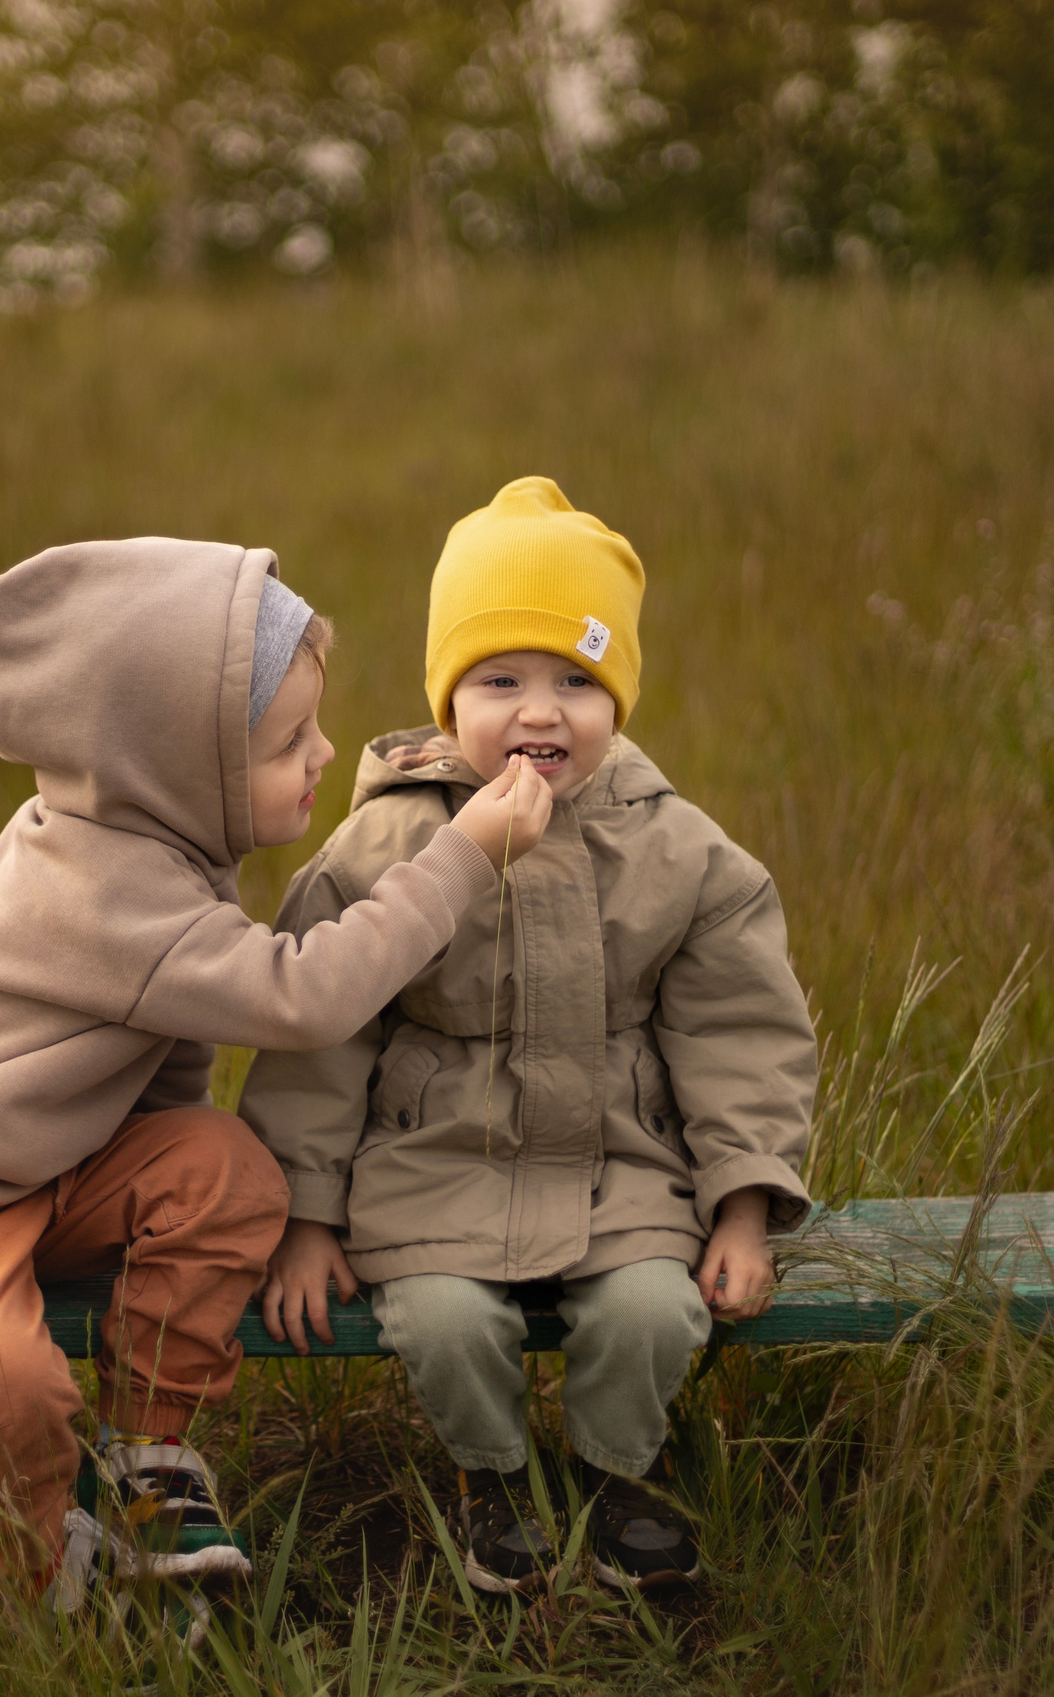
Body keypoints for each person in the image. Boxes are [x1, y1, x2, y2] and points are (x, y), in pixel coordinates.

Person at [0, 537, 551, 1613]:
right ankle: (28, 1596)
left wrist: (166, 1195)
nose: (325, 755)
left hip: (36, 1167)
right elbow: (307, 997)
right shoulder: (103, 886)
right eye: (289, 743)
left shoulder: (155, 846)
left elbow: (160, 1064)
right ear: (180, 767)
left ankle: (148, 1458)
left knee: (225, 1169)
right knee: (3, 1387)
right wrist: (462, 854)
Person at [241, 479, 819, 1593]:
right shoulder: (382, 846)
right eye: (499, 681)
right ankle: (491, 1478)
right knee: (447, 1324)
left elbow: (738, 1032)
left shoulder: (679, 850)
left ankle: (615, 1474)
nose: (539, 712)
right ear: (448, 699)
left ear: (622, 699)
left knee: (655, 1311)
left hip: (624, 1165)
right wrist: (308, 1217)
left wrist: (741, 1203)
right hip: (435, 1165)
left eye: (577, 682)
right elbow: (320, 1037)